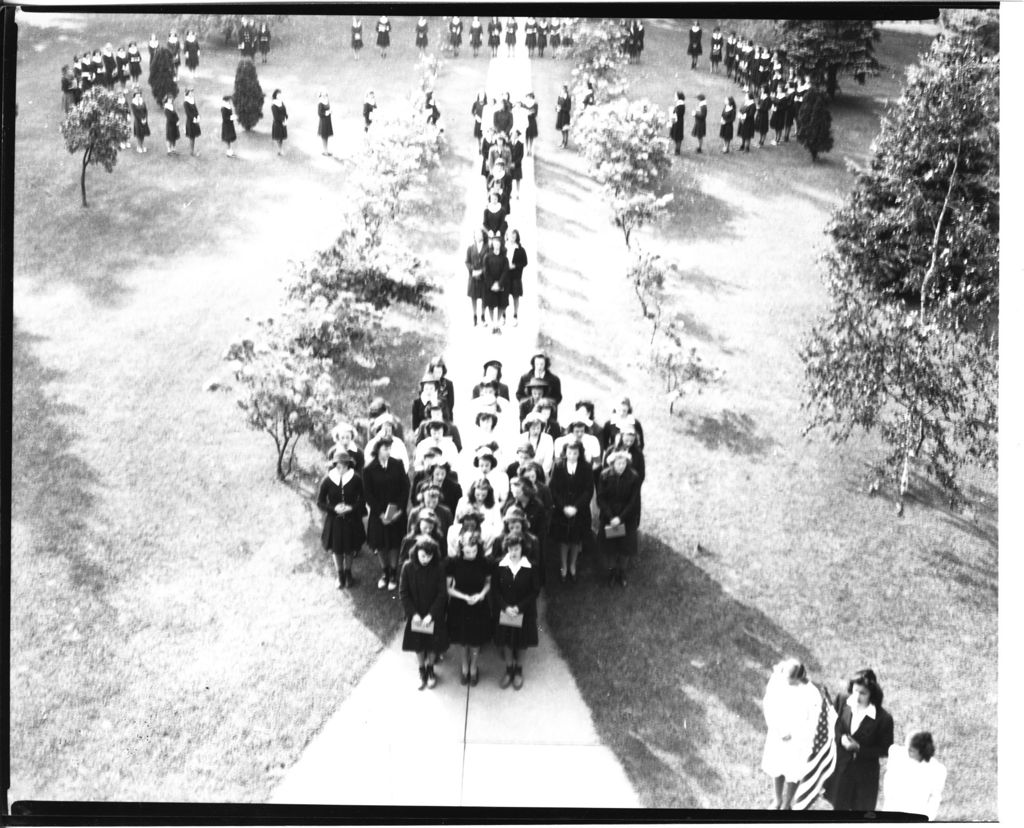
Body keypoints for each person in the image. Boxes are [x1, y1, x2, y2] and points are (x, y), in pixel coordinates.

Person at [827, 669, 895, 811]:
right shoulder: (842, 700)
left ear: (872, 694)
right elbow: (833, 723)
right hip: (842, 771)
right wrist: (841, 739)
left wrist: (859, 749)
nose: (857, 697)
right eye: (855, 690)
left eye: (863, 693)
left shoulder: (883, 719)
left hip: (865, 777)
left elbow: (885, 749)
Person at [761, 659, 824, 810]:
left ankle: (786, 803)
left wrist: (795, 735)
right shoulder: (777, 681)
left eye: (791, 681)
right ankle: (777, 799)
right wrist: (779, 730)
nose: (787, 684)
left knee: (793, 772)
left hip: (798, 741)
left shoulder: (811, 693)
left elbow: (814, 721)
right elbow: (768, 706)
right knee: (777, 766)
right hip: (778, 735)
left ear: (800, 678)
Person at [399, 536, 448, 690]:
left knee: (433, 644)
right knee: (418, 644)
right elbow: (403, 593)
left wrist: (431, 615)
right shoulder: (407, 567)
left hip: (433, 614)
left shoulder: (439, 568)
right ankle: (422, 670)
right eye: (423, 556)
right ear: (416, 553)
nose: (426, 559)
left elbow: (442, 594)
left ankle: (431, 669)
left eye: (429, 556)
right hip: (416, 614)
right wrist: (413, 614)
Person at [363, 436, 411, 591]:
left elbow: (405, 488)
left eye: (390, 448)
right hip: (379, 515)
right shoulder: (369, 470)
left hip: (396, 512)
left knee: (395, 544)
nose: (388, 452)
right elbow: (368, 494)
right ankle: (385, 573)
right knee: (381, 545)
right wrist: (380, 514)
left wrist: (399, 510)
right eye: (385, 449)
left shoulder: (397, 464)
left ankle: (393, 573)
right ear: (377, 450)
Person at [492, 536, 539, 690]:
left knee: (521, 643)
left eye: (517, 549)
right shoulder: (500, 566)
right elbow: (495, 590)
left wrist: (519, 607)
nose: (513, 552)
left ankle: (518, 671)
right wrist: (505, 607)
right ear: (507, 549)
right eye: (511, 549)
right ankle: (509, 669)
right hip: (505, 611)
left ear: (522, 549)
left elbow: (534, 592)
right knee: (506, 642)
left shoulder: (530, 566)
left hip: (524, 612)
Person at [446, 530, 492, 685]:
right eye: (467, 551)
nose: (471, 554)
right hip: (460, 605)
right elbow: (448, 589)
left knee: (475, 640)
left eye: (474, 551)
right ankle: (464, 665)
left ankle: (474, 666)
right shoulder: (453, 563)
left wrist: (480, 595)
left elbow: (488, 583)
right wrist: (465, 597)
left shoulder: (483, 562)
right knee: (463, 640)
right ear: (461, 550)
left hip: (478, 604)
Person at [317, 448, 366, 589]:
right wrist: (334, 509)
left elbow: (363, 498)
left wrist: (352, 507)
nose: (341, 469)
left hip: (351, 519)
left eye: (344, 466)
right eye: (338, 466)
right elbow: (320, 502)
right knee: (337, 549)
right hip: (335, 520)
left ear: (349, 465)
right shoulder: (327, 480)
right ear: (334, 465)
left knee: (349, 548)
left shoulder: (356, 478)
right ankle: (340, 575)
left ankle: (348, 572)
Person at [549, 439, 594, 584]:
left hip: (579, 510)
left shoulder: (586, 467)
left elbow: (588, 490)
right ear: (565, 453)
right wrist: (563, 507)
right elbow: (553, 489)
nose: (572, 456)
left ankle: (573, 565)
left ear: (580, 453)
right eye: (569, 453)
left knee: (575, 539)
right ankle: (563, 566)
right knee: (563, 540)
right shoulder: (558, 465)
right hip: (562, 510)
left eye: (575, 453)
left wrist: (576, 507)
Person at [597, 449, 642, 586]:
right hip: (609, 517)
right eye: (618, 463)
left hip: (626, 518)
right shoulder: (604, 476)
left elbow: (633, 501)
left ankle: (622, 572)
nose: (621, 466)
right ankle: (611, 572)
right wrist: (611, 517)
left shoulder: (633, 477)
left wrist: (620, 518)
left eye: (623, 463)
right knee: (610, 547)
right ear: (612, 463)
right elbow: (601, 498)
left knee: (625, 547)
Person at [881, 731, 946, 820]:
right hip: (893, 810)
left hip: (916, 814)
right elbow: (888, 782)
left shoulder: (937, 770)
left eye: (912, 750)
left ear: (922, 752)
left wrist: (927, 819)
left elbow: (935, 799)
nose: (908, 751)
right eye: (908, 748)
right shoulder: (897, 754)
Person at [465, 228, 487, 328]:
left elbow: (489, 262)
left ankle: (482, 316)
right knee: (473, 297)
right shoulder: (470, 248)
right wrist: (472, 271)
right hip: (473, 277)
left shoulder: (488, 248)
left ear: (483, 236)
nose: (479, 236)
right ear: (474, 236)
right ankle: (475, 316)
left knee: (484, 297)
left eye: (480, 234)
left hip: (483, 277)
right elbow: (467, 262)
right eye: (477, 235)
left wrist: (482, 271)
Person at [505, 229, 528, 325]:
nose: (512, 238)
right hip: (505, 275)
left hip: (515, 276)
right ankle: (503, 316)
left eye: (514, 236)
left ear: (517, 237)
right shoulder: (504, 247)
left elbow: (525, 262)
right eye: (511, 236)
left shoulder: (520, 249)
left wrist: (515, 266)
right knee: (504, 296)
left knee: (515, 296)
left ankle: (515, 315)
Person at [129, 89, 149, 153]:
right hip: (138, 121)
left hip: (144, 120)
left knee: (143, 134)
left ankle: (142, 146)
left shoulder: (142, 101)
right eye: (137, 95)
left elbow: (146, 111)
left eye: (139, 94)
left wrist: (145, 118)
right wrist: (141, 119)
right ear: (134, 95)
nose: (138, 96)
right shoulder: (133, 103)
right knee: (139, 134)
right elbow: (135, 113)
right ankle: (139, 147)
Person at [182, 88, 201, 156]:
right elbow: (188, 113)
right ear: (187, 93)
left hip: (195, 120)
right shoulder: (186, 102)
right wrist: (193, 118)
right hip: (190, 121)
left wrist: (198, 116)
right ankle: (191, 151)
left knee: (193, 136)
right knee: (191, 136)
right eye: (190, 92)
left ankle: (192, 151)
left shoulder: (192, 100)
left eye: (192, 92)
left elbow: (196, 109)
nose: (192, 93)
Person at [317, 89, 333, 155]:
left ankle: (326, 150)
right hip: (323, 121)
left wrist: (330, 111)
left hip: (328, 120)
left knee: (326, 135)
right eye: (323, 93)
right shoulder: (320, 102)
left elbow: (328, 108)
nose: (325, 94)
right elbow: (319, 113)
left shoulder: (327, 100)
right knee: (324, 135)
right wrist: (325, 113)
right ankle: (325, 150)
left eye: (325, 93)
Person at [669, 91, 686, 155]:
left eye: (675, 96)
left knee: (678, 136)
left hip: (678, 123)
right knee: (676, 136)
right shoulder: (679, 104)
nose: (674, 97)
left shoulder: (681, 105)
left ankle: (677, 151)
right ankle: (677, 150)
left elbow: (678, 114)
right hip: (677, 122)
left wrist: (673, 111)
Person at [509, 129, 525, 198]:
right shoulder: (508, 144)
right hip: (509, 165)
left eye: (515, 135)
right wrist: (509, 163)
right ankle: (510, 193)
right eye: (513, 135)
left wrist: (515, 163)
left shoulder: (520, 144)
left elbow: (521, 156)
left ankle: (517, 193)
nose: (514, 136)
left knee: (517, 179)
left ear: (518, 136)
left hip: (517, 165)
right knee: (510, 179)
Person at [555, 84, 571, 148]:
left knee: (565, 129)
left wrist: (561, 108)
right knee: (561, 129)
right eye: (562, 89)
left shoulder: (568, 98)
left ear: (566, 90)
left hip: (565, 115)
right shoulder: (560, 96)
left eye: (564, 89)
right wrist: (556, 108)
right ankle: (563, 141)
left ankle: (565, 142)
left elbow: (568, 108)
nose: (563, 90)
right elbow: (557, 104)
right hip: (560, 115)